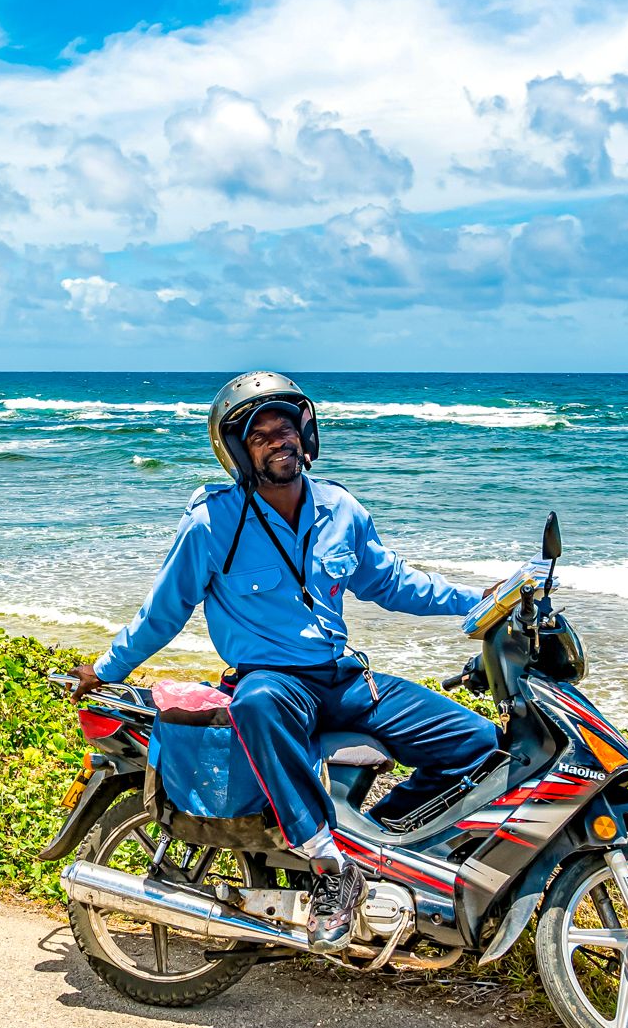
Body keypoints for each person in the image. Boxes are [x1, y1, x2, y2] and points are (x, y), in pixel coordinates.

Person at [70, 371, 500, 950]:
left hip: (345, 679)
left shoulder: (340, 508)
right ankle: (328, 865)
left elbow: (390, 582)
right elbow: (164, 611)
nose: (280, 440)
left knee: (475, 743)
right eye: (261, 435)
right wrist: (107, 668)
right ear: (240, 453)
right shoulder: (212, 521)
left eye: (287, 427)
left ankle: (377, 849)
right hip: (274, 681)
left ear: (307, 433)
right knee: (259, 700)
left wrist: (484, 602)